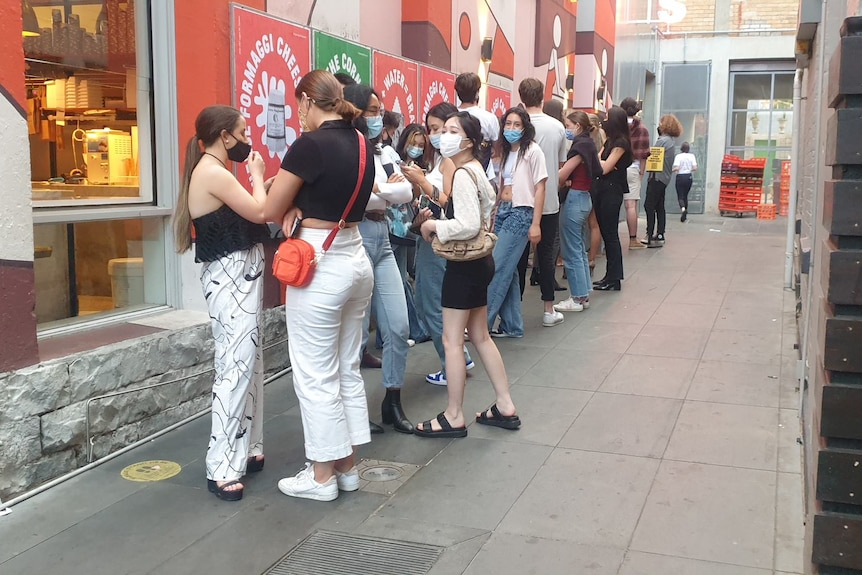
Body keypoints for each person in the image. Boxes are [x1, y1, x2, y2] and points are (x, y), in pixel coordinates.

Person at [265, 70, 375, 502]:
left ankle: (322, 475)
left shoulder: (310, 145)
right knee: (346, 367)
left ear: (310, 102)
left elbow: (268, 209)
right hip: (355, 256)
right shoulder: (363, 140)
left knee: (315, 372)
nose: (298, 116)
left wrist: (266, 182)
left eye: (299, 108)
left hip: (319, 260)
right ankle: (347, 466)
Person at [173, 105, 269, 502]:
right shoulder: (214, 173)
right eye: (243, 132)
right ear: (224, 136)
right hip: (231, 281)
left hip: (235, 280)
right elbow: (260, 209)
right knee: (235, 365)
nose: (248, 139)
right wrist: (259, 176)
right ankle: (221, 464)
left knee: (248, 361)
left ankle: (246, 446)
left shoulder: (214, 171)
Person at [413, 112, 520, 437]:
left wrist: (433, 225)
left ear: (469, 141)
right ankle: (504, 404)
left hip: (463, 266)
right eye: (443, 129)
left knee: (451, 341)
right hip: (480, 261)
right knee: (480, 336)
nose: (443, 135)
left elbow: (468, 225)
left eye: (451, 130)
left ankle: (454, 414)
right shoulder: (476, 171)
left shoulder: (462, 174)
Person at [342, 83, 414, 435]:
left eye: (379, 110)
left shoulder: (382, 150)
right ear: (353, 110)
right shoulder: (348, 149)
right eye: (371, 110)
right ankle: (353, 413)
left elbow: (405, 192)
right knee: (354, 334)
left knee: (398, 326)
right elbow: (358, 196)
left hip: (382, 236)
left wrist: (378, 189)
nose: (377, 117)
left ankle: (392, 399)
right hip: (353, 236)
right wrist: (382, 189)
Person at [400, 103, 476, 386]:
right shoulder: (441, 160)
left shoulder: (452, 164)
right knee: (433, 304)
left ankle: (452, 362)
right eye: (432, 129)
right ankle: (458, 358)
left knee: (432, 304)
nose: (435, 135)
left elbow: (452, 205)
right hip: (430, 235)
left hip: (441, 240)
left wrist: (423, 183)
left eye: (441, 129)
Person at [487, 107, 548, 336]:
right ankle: (512, 325)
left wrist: (536, 223)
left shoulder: (533, 151)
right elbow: (502, 184)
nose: (511, 128)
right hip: (503, 210)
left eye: (517, 124)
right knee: (509, 270)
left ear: (525, 128)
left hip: (522, 211)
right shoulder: (506, 152)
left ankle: (482, 323)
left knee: (497, 266)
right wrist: (494, 214)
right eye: (508, 124)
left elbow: (541, 187)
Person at [518, 79, 568, 325]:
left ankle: (512, 312)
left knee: (516, 259)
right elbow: (560, 163)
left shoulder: (515, 124)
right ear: (542, 98)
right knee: (546, 255)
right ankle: (549, 309)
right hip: (548, 200)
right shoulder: (557, 127)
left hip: (518, 200)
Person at [554, 111, 602, 312]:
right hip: (585, 198)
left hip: (574, 199)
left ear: (578, 126)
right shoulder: (590, 144)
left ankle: (577, 297)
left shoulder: (580, 146)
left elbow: (562, 175)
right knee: (579, 249)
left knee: (571, 250)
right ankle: (583, 293)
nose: (567, 128)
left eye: (568, 125)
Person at [393, 124, 432, 344]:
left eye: (420, 145)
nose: (416, 149)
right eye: (413, 143)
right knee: (399, 280)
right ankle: (414, 328)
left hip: (409, 230)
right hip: (395, 229)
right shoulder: (393, 163)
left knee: (403, 278)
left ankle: (410, 328)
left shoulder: (421, 169)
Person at [593, 106, 632, 291]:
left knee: (610, 235)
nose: (604, 120)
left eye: (608, 117)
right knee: (607, 233)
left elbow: (604, 166)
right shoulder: (611, 140)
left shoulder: (621, 143)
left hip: (611, 190)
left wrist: (602, 164)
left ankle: (614, 277)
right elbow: (597, 160)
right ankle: (610, 275)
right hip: (603, 189)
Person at [643, 114, 682, 247]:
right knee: (659, 206)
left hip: (656, 177)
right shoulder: (670, 141)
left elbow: (652, 156)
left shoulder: (662, 141)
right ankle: (660, 234)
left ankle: (649, 233)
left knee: (649, 205)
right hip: (664, 178)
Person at [620, 97, 650, 250]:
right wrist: (641, 173)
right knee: (631, 205)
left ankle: (606, 242)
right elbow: (644, 154)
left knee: (613, 204)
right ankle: (632, 239)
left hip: (616, 166)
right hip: (633, 167)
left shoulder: (618, 126)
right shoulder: (642, 129)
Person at [455, 72, 499, 171]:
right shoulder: (489, 118)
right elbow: (496, 148)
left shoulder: (450, 116)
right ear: (477, 92)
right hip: (481, 170)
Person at [586, 113, 606, 274]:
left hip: (584, 185)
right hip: (598, 185)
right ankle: (592, 258)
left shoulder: (584, 144)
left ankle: (573, 259)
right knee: (594, 224)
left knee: (577, 225)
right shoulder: (601, 141)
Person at [673, 141, 697, 222]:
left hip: (680, 176)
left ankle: (683, 209)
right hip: (688, 177)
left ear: (681, 148)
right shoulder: (692, 156)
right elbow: (695, 168)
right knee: (685, 195)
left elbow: (677, 168)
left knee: (680, 195)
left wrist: (671, 171)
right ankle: (685, 215)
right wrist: (688, 169)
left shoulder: (678, 156)